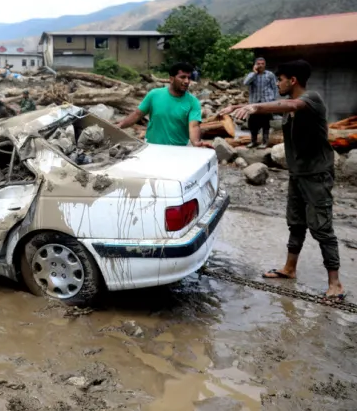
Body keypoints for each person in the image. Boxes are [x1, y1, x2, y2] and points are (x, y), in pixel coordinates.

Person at [220, 60, 343, 300]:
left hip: (317, 175)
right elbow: (283, 106)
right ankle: (289, 269)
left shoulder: (312, 99)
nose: (277, 83)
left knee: (322, 227)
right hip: (298, 174)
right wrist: (241, 105)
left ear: (293, 80)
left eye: (280, 79)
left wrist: (255, 108)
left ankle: (335, 283)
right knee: (296, 223)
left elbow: (289, 104)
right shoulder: (291, 106)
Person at [117, 62, 203, 146]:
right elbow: (137, 114)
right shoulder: (154, 95)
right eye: (182, 77)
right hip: (152, 146)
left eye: (189, 78)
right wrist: (120, 126)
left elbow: (194, 126)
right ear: (171, 79)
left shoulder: (193, 102)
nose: (187, 81)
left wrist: (196, 142)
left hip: (179, 149)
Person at [242, 57, 278, 149]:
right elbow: (245, 83)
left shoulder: (270, 75)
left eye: (262, 63)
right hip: (254, 103)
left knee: (265, 123)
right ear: (255, 65)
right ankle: (253, 141)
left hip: (266, 102)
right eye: (258, 63)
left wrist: (274, 100)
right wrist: (254, 73)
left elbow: (274, 87)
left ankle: (264, 142)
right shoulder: (252, 75)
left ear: (265, 65)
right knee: (252, 123)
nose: (260, 65)